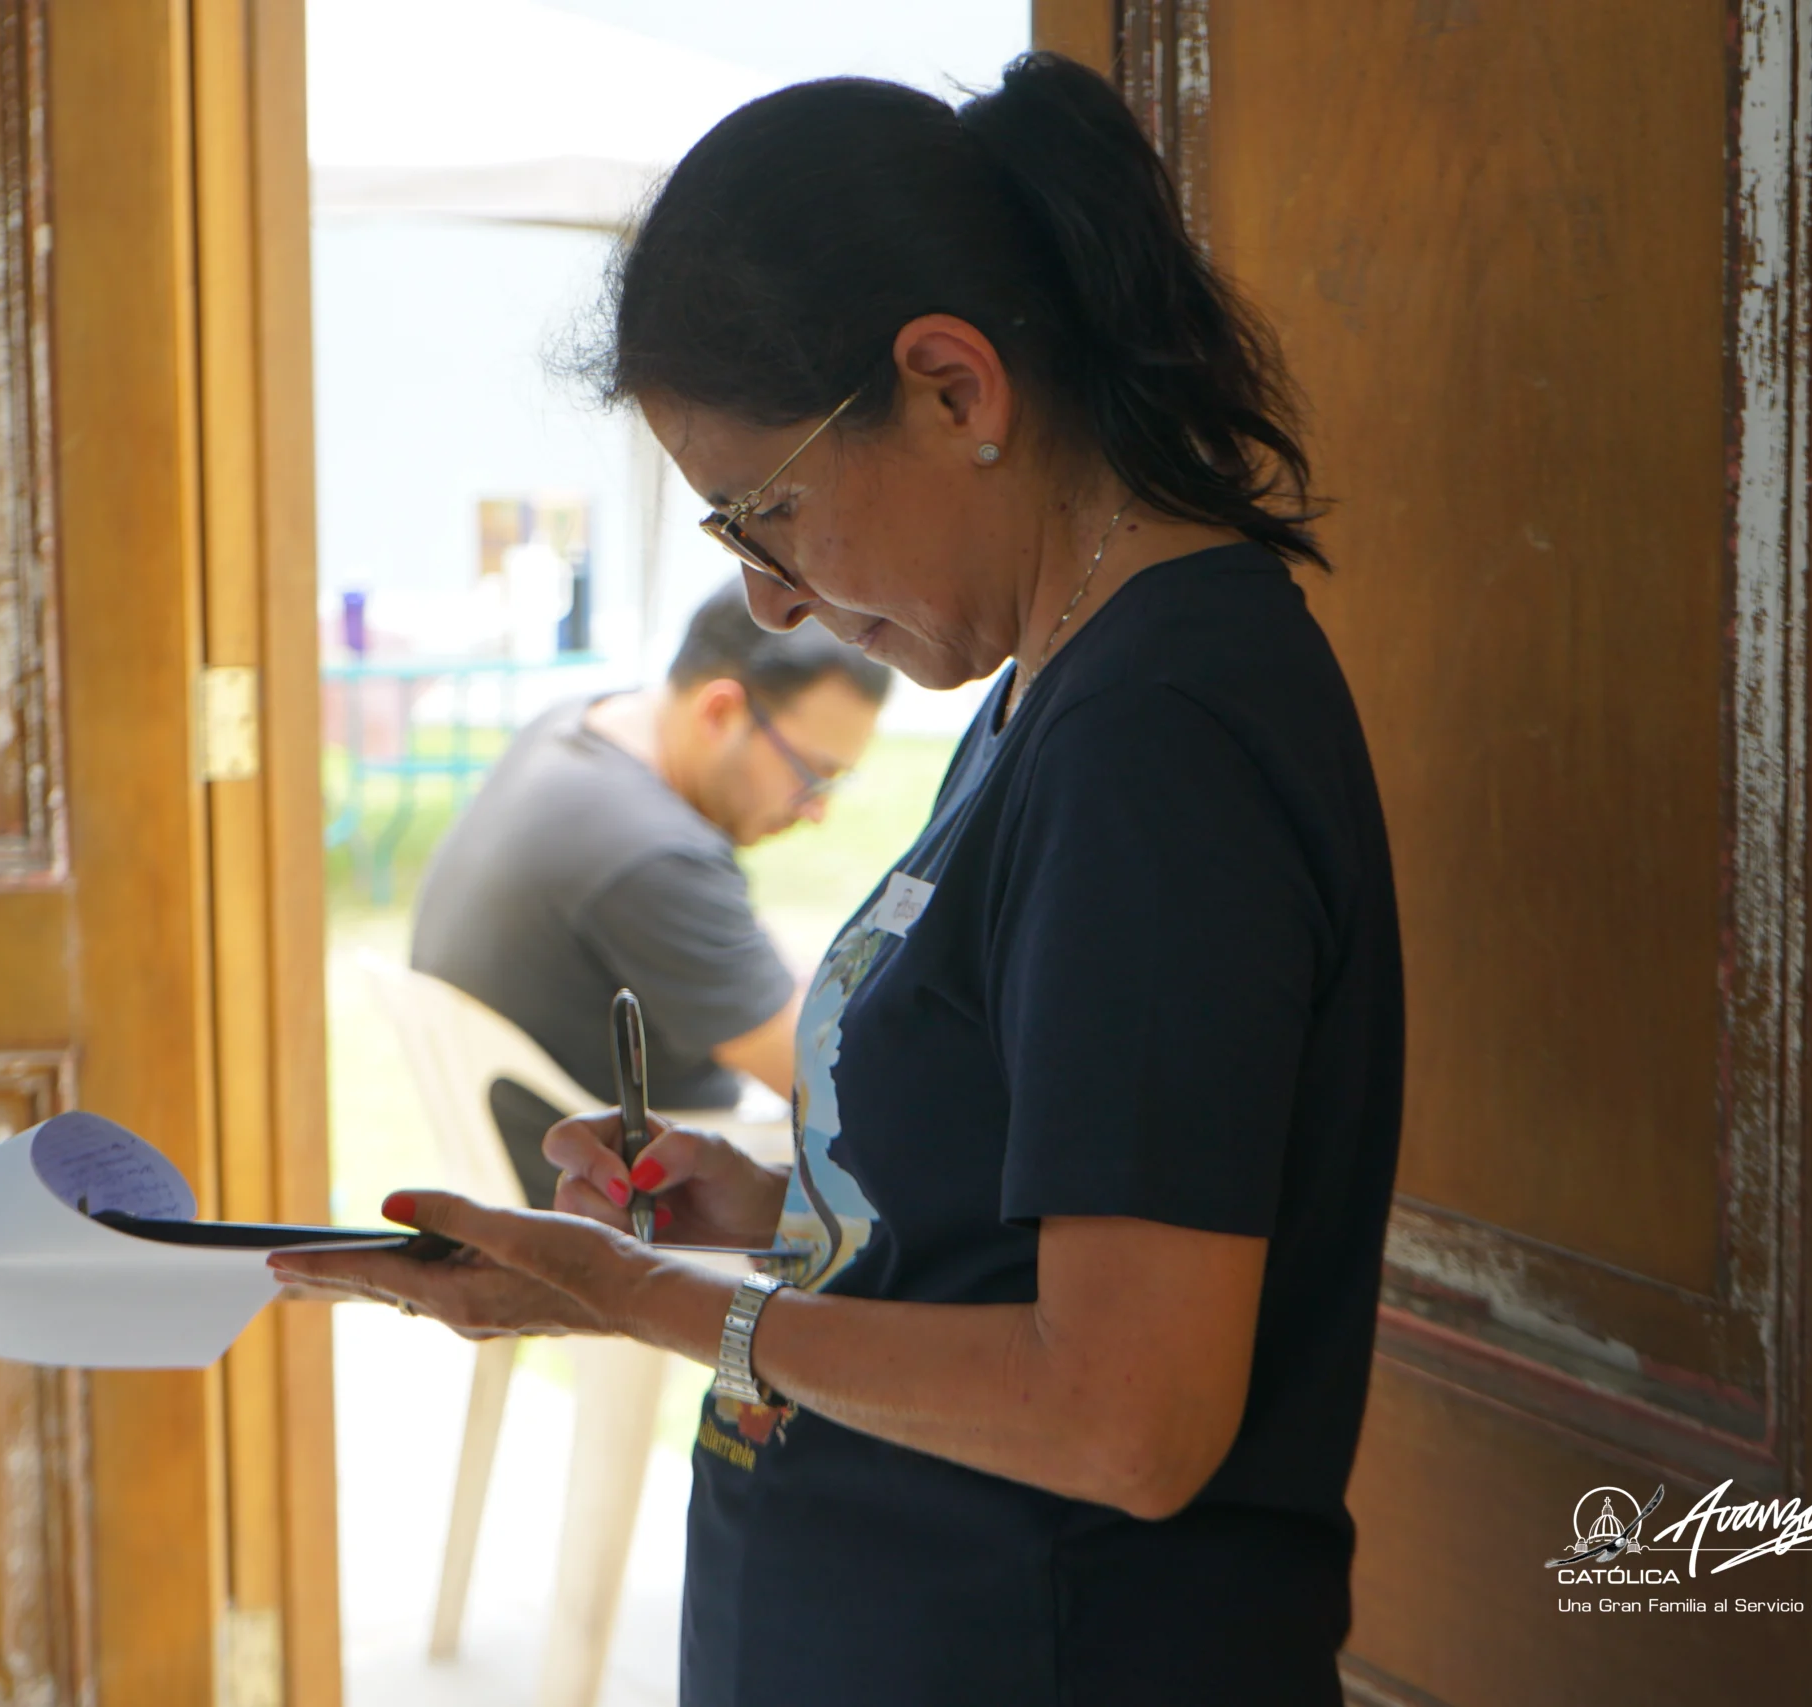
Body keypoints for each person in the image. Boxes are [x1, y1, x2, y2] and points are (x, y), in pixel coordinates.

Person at [279, 52, 1403, 1706]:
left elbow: (1127, 1413)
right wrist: (778, 1204)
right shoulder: (1052, 683)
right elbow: (1018, 1198)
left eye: (767, 511)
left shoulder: (1159, 741)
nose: (771, 600)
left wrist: (646, 1296)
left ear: (953, 389)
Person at [410, 583, 890, 1208]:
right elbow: (835, 1083)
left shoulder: (575, 728)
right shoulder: (653, 855)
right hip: (617, 1203)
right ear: (719, 712)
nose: (817, 811)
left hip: (527, 1146)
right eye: (812, 774)